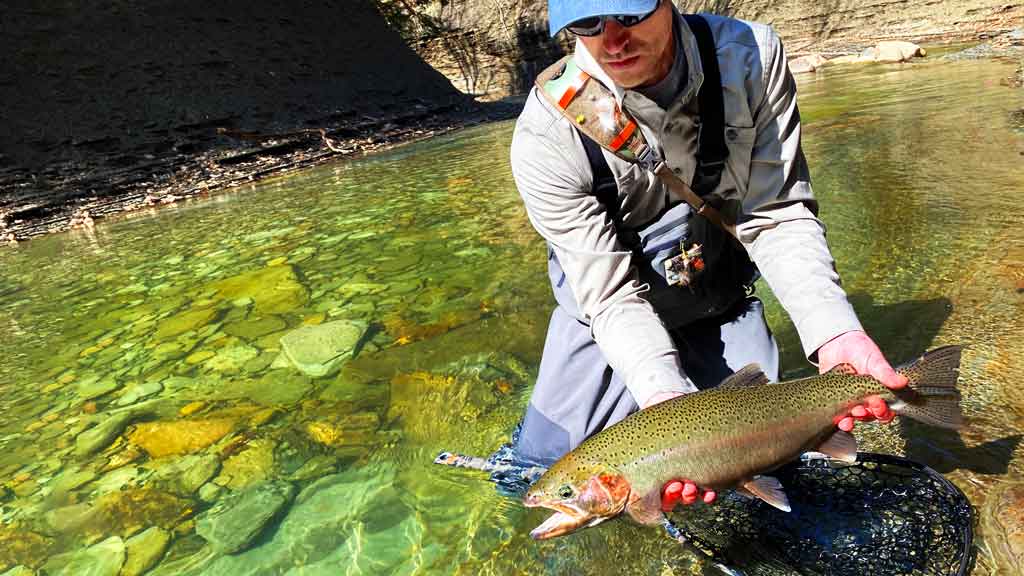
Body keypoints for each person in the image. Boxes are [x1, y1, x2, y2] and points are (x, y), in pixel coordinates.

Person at [506, 0, 908, 510]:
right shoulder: (548, 135)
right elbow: (609, 297)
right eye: (587, 24)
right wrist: (662, 400)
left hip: (714, 292)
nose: (612, 41)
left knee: (765, 456)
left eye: (629, 15)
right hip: (605, 313)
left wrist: (835, 330)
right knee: (539, 466)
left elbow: (778, 212)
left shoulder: (750, 60)